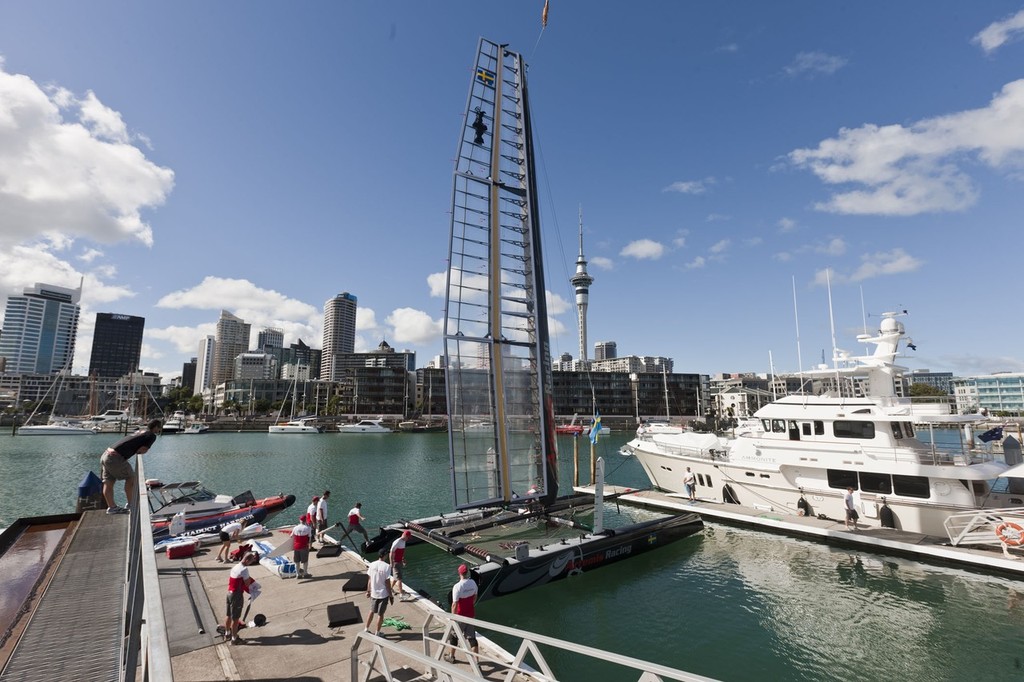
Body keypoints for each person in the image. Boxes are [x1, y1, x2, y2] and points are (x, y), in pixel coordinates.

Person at [100, 419, 162, 514]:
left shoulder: (140, 431)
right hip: (115, 457)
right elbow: (142, 450)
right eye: (159, 428)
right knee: (131, 478)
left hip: (106, 454)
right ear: (156, 427)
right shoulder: (151, 435)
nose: (159, 430)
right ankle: (131, 504)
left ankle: (112, 508)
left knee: (108, 483)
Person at [224, 551, 259, 645]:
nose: (250, 564)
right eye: (250, 562)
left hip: (229, 593)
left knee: (228, 615)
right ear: (247, 560)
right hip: (237, 595)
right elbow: (247, 584)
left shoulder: (235, 566)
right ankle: (234, 639)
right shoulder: (244, 569)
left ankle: (227, 633)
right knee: (236, 619)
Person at [448, 563, 479, 663]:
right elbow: (475, 598)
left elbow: (454, 605)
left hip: (460, 617)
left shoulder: (457, 587)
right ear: (467, 573)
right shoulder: (473, 583)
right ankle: (476, 662)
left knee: (454, 636)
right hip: (470, 615)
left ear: (459, 573)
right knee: (472, 638)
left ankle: (451, 656)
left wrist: (453, 617)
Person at [364, 547, 393, 636]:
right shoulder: (387, 566)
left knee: (371, 611)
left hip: (373, 593)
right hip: (383, 595)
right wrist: (391, 595)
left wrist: (368, 591)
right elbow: (387, 583)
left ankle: (366, 628)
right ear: (385, 555)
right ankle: (377, 632)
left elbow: (369, 579)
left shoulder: (372, 564)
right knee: (380, 614)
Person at [390, 530, 412, 600]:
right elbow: (391, 552)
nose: (408, 539)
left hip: (399, 561)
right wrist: (391, 563)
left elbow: (401, 552)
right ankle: (401, 594)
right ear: (405, 536)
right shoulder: (397, 542)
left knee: (396, 578)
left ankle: (390, 588)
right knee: (400, 578)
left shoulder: (403, 542)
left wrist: (403, 560)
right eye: (408, 538)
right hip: (395, 562)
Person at [291, 513, 313, 578]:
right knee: (305, 561)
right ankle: (305, 573)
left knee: (297, 561)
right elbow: (309, 537)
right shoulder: (308, 528)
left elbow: (291, 536)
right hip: (304, 546)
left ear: (300, 520)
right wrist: (309, 545)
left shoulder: (295, 528)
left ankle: (298, 574)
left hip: (296, 546)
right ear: (305, 520)